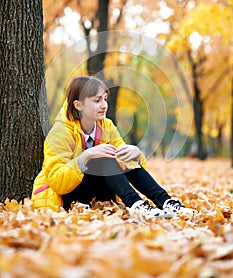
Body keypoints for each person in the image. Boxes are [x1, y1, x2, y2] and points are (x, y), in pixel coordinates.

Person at [32, 76, 195, 220]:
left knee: (120, 155)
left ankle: (166, 201)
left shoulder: (106, 125)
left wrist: (136, 154)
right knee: (103, 154)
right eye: (97, 101)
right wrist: (84, 157)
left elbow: (126, 163)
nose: (104, 105)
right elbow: (58, 183)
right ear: (78, 105)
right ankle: (137, 205)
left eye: (105, 99)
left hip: (98, 191)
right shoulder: (60, 133)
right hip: (66, 197)